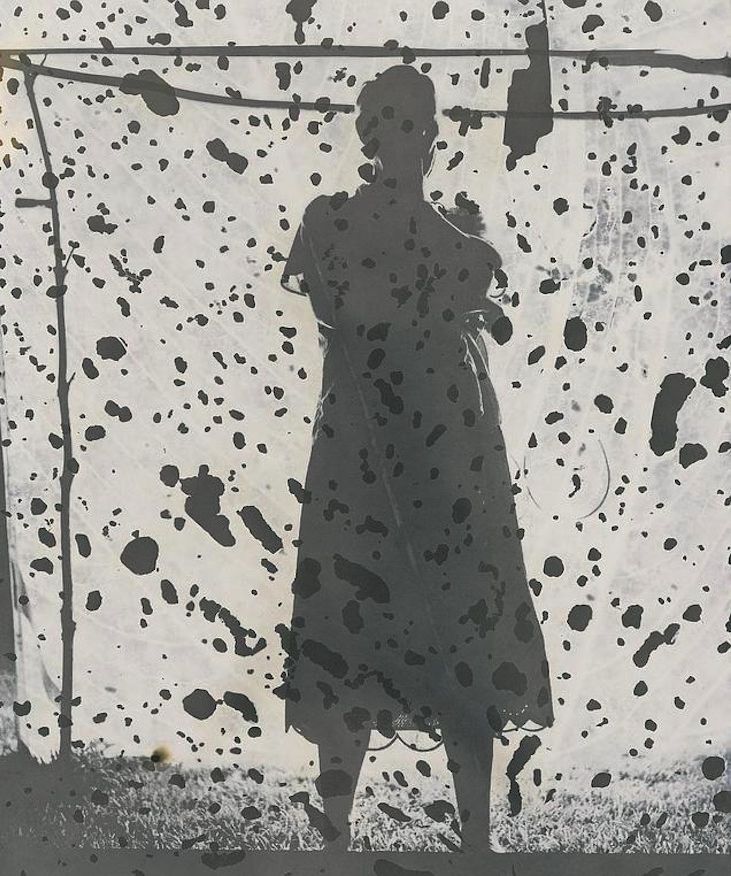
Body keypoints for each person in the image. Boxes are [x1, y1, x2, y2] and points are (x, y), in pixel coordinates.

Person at [278, 64, 553, 854]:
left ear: (432, 135)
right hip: (359, 463)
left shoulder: (463, 248)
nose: (401, 137)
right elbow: (339, 309)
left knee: (463, 629)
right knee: (351, 629)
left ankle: (477, 841)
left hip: (448, 466)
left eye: (415, 123)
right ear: (367, 133)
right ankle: (334, 838)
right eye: (386, 122)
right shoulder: (329, 224)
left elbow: (465, 306)